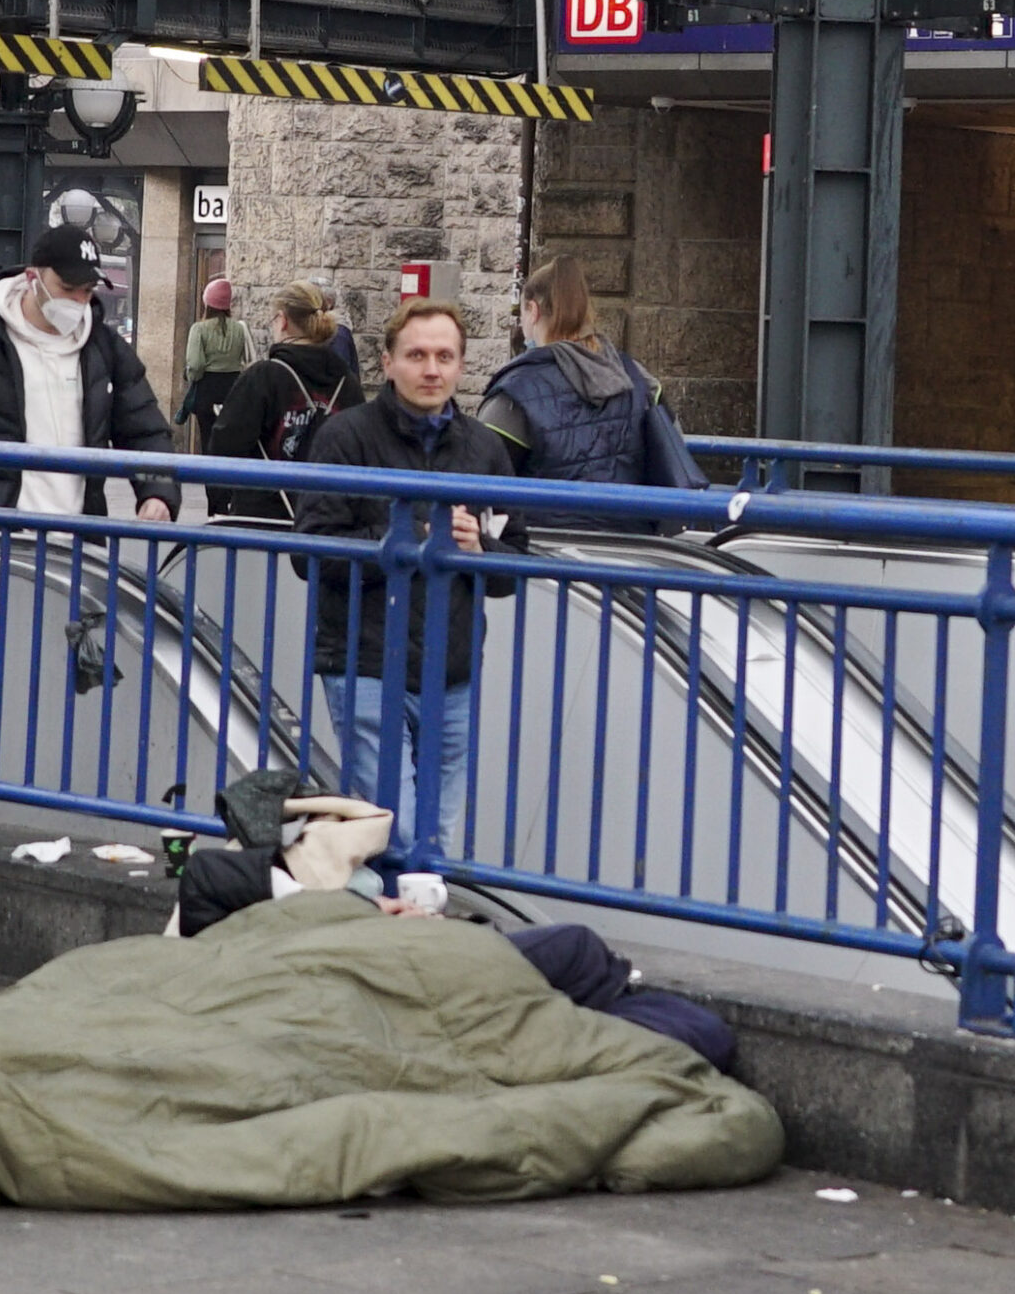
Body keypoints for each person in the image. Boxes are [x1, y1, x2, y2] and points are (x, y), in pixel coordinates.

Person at [294, 298, 527, 856]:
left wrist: (479, 549)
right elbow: (312, 554)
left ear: (462, 366)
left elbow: (513, 565)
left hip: (452, 667)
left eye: (445, 356)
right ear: (387, 362)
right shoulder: (344, 439)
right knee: (392, 829)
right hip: (365, 658)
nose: (431, 369)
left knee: (438, 833)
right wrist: (408, 544)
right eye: (417, 355)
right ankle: (395, 925)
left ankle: (417, 923)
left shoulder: (485, 449)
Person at [0, 225, 178, 520]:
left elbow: (145, 430)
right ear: (32, 278)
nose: (80, 301)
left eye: (88, 290)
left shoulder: (104, 348)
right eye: (68, 289)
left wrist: (157, 493)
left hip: (77, 542)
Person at [477, 255, 674, 532]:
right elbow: (671, 448)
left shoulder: (516, 390)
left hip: (544, 554)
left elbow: (482, 477)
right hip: (634, 546)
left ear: (532, 311)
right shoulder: (638, 377)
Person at [207, 281, 365, 522]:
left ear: (282, 320)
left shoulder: (263, 376)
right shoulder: (346, 381)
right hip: (328, 520)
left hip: (262, 519)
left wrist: (220, 504)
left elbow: (225, 445)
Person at [178, 278, 260, 451]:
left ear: (207, 303)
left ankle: (209, 475)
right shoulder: (239, 328)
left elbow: (196, 364)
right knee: (228, 438)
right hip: (233, 388)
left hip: (207, 388)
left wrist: (190, 376)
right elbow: (246, 359)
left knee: (208, 437)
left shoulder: (199, 329)